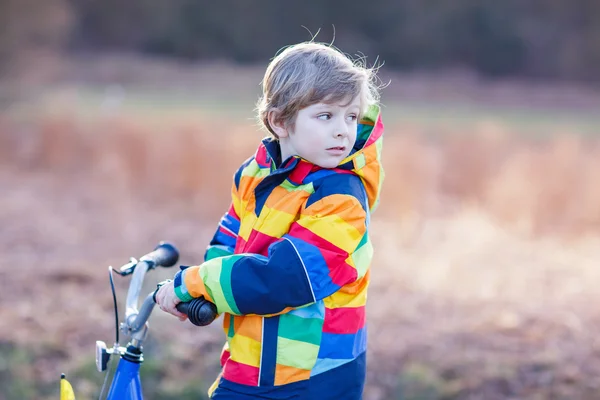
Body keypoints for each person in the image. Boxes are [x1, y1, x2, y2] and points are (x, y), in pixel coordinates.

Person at [155, 41, 385, 399]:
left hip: (312, 378)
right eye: (326, 116)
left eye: (351, 117)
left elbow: (285, 278)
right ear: (280, 122)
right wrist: (206, 294)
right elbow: (228, 240)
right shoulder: (256, 175)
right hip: (250, 362)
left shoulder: (341, 198)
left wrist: (194, 283)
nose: (343, 130)